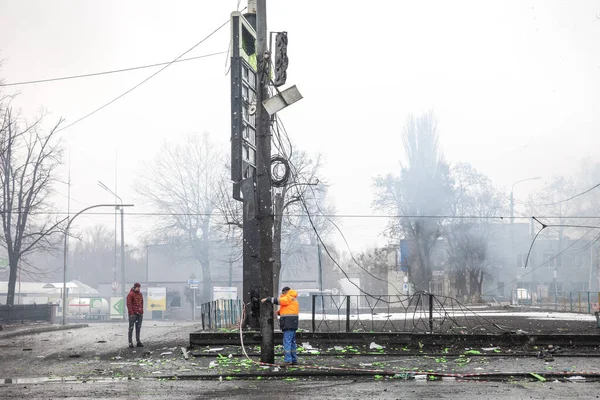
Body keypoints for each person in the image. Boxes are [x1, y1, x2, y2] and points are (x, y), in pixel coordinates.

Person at [262, 286, 299, 367]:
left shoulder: (289, 297)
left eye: (283, 293)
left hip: (288, 323)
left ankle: (288, 360)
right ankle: (294, 359)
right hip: (293, 323)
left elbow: (279, 301)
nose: (282, 294)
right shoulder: (293, 298)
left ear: (286, 292)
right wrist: (279, 312)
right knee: (292, 342)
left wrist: (268, 299)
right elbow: (289, 308)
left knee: (287, 342)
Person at [126, 282, 144, 348]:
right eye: (137, 287)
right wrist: (131, 313)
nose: (138, 289)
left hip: (139, 314)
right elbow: (129, 304)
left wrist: (141, 312)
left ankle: (138, 341)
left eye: (139, 287)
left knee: (138, 328)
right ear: (135, 287)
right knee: (131, 328)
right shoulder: (130, 295)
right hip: (133, 314)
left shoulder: (140, 294)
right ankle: (130, 342)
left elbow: (141, 303)